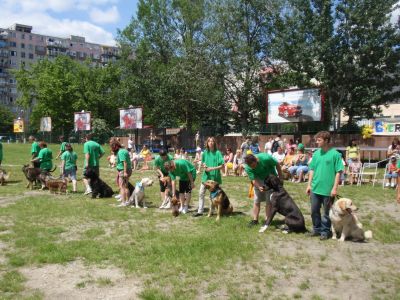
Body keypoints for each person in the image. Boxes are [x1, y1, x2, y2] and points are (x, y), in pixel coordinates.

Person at [306, 131, 344, 240]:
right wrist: (309, 185)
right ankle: (316, 229)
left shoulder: (335, 154)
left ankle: (325, 232)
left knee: (327, 213)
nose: (316, 142)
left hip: (328, 190)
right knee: (314, 211)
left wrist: (335, 188)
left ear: (326, 141)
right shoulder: (316, 154)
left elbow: (338, 172)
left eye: (319, 140)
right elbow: (311, 169)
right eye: (316, 140)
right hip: (315, 188)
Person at [245, 153, 283, 228]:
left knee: (268, 200)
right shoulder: (248, 167)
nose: (252, 168)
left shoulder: (266, 158)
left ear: (256, 160)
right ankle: (255, 220)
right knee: (256, 200)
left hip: (270, 178)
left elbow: (277, 164)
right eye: (250, 167)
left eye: (253, 166)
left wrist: (280, 177)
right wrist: (259, 187)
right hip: (258, 179)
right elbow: (253, 179)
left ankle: (267, 220)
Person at [193, 137, 224, 217]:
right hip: (206, 177)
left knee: (215, 197)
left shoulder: (218, 153)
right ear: (207, 143)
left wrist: (212, 168)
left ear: (214, 143)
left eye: (212, 141)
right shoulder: (205, 153)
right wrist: (204, 166)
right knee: (201, 193)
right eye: (209, 141)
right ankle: (200, 211)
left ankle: (214, 211)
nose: (211, 142)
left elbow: (222, 165)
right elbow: (203, 163)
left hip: (215, 178)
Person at [111, 141, 132, 207]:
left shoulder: (120, 152)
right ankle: (128, 201)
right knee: (126, 186)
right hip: (127, 169)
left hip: (123, 170)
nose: (113, 149)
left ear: (116, 146)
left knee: (122, 187)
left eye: (113, 147)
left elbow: (124, 162)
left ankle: (123, 202)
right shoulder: (124, 150)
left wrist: (125, 172)